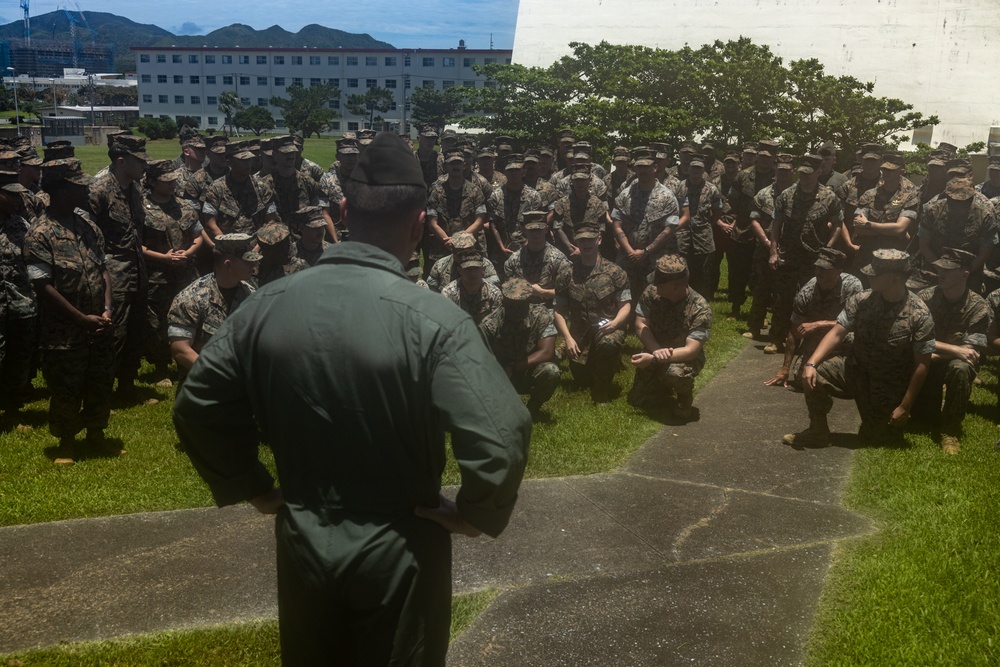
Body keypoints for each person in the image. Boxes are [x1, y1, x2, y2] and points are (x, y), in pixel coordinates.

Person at [173, 132, 529, 666]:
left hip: (303, 534)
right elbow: (503, 437)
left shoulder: (263, 306)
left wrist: (253, 486)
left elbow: (197, 405)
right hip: (402, 541)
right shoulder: (436, 320)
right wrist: (476, 513)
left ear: (343, 209)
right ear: (418, 222)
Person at [783, 249, 934, 447]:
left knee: (878, 440)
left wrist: (905, 406)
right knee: (814, 373)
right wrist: (811, 363)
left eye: (875, 273)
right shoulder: (862, 300)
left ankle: (874, 423)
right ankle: (817, 431)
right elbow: (837, 333)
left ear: (895, 279)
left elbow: (922, 365)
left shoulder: (919, 314)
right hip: (855, 369)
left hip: (887, 382)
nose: (868, 275)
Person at [23, 159, 116, 463]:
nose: (86, 189)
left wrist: (106, 309)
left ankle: (96, 435)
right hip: (63, 331)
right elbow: (43, 287)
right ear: (62, 190)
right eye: (79, 186)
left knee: (99, 380)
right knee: (66, 385)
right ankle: (66, 442)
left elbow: (103, 270)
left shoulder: (88, 225)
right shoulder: (39, 234)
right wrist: (80, 319)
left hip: (98, 324)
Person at [88, 133, 149, 396]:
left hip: (136, 267)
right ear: (122, 161)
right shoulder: (98, 189)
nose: (145, 165)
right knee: (114, 334)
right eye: (140, 161)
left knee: (136, 328)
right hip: (113, 272)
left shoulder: (135, 187)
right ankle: (102, 391)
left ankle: (127, 383)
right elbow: (87, 235)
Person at [913, 248, 990, 454]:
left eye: (948, 270)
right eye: (939, 269)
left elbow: (969, 353)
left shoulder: (979, 307)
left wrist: (940, 353)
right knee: (923, 420)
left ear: (965, 274)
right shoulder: (925, 298)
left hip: (940, 359)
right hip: (927, 358)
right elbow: (914, 340)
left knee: (961, 368)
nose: (941, 274)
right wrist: (953, 349)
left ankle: (950, 430)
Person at [553, 223, 632, 403]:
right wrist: (568, 338)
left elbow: (626, 305)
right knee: (581, 381)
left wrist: (616, 323)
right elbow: (558, 310)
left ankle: (601, 392)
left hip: (608, 329)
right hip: (580, 335)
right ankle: (599, 362)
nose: (586, 244)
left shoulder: (614, 271)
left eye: (590, 239)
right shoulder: (567, 274)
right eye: (582, 240)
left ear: (599, 240)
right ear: (576, 243)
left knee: (607, 344)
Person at [628, 254, 712, 420]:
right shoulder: (651, 293)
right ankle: (660, 386)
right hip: (655, 348)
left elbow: (691, 351)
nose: (653, 284)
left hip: (682, 358)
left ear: (675, 287)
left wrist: (653, 359)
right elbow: (640, 324)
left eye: (659, 282)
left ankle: (684, 398)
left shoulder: (700, 308)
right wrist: (657, 351)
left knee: (675, 373)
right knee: (637, 401)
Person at [764, 247, 863, 388]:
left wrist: (819, 324)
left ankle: (852, 370)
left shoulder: (852, 286)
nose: (819, 272)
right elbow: (794, 331)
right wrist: (785, 367)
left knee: (853, 338)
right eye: (817, 267)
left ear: (838, 271)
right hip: (818, 339)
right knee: (801, 379)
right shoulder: (806, 293)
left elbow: (856, 321)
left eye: (825, 269)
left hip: (844, 336)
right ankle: (828, 368)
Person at [167, 233, 257, 385]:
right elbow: (180, 350)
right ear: (228, 265)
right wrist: (220, 377)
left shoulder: (251, 294)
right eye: (247, 262)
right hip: (203, 385)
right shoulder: (191, 298)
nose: (253, 266)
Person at [140, 160, 202, 379]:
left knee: (186, 320)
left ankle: (185, 364)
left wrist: (189, 252)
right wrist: (163, 258)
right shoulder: (141, 208)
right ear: (151, 182)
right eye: (166, 182)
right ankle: (161, 367)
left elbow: (198, 235)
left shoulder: (184, 206)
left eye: (173, 180)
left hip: (185, 275)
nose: (172, 185)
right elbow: (137, 244)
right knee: (157, 322)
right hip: (158, 277)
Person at [480, 278, 561, 418]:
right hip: (500, 375)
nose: (517, 309)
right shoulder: (490, 323)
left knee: (551, 370)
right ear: (504, 302)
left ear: (529, 301)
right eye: (513, 304)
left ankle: (532, 410)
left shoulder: (541, 316)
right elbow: (479, 359)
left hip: (526, 371)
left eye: (522, 304)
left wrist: (514, 367)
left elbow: (547, 352)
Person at [0, 170, 37, 427]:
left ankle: (13, 410)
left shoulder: (21, 225)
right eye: (10, 194)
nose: (17, 200)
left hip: (19, 305)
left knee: (18, 359)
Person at [503, 210, 571, 307]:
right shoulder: (513, 260)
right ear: (524, 230)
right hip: (520, 310)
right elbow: (507, 290)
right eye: (531, 230)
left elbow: (567, 294)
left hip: (549, 311)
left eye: (539, 229)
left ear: (546, 229)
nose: (535, 233)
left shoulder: (559, 260)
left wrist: (542, 292)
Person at [441, 249, 503, 325]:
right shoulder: (448, 293)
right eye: (467, 269)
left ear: (483, 269)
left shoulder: (494, 294)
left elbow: (494, 326)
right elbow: (445, 324)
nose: (472, 273)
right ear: (459, 271)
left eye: (476, 268)